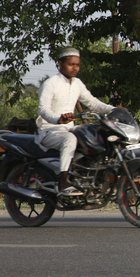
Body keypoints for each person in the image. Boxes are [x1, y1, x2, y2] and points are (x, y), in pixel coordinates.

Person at [35, 47, 116, 196]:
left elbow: (92, 103)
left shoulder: (77, 83)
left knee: (94, 134)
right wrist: (58, 119)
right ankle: (64, 181)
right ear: (60, 64)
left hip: (68, 129)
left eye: (77, 65)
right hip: (49, 130)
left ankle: (86, 177)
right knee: (70, 139)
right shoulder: (50, 84)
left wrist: (113, 110)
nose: (75, 68)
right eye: (71, 64)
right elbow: (43, 110)